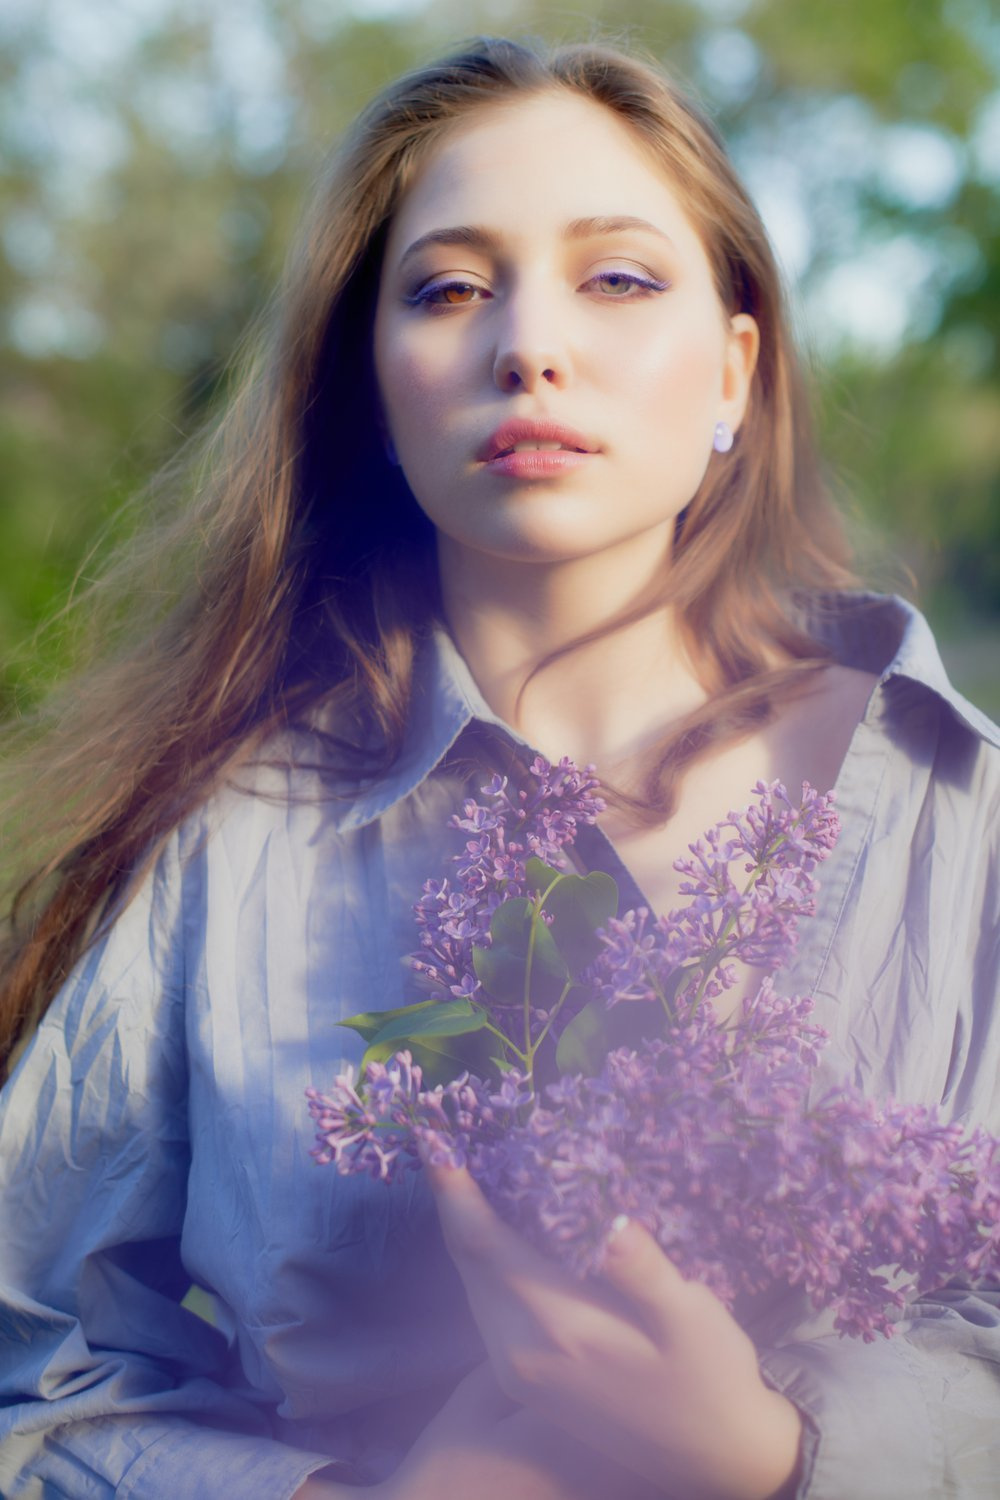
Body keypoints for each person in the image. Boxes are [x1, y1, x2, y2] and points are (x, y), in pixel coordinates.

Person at [0, 32, 997, 1500]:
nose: (529, 343)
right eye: (450, 288)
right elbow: (35, 1362)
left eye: (619, 278)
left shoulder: (961, 813)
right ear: (373, 392)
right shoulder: (224, 839)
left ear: (736, 373)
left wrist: (776, 1452)